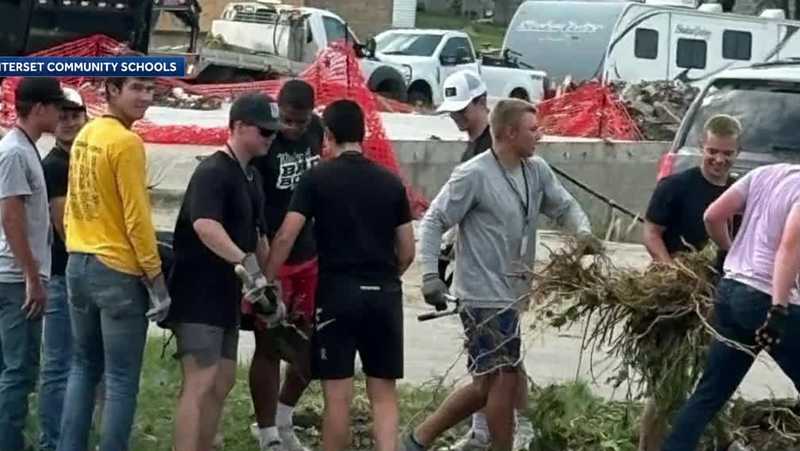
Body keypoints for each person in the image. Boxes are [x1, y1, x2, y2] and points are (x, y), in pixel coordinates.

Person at [403, 99, 595, 451]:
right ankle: (463, 442)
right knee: (501, 380)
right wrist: (430, 274)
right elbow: (434, 221)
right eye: (533, 129)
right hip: (480, 293)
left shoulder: (535, 171)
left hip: (512, 293)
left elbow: (564, 205)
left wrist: (582, 234)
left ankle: (421, 440)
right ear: (509, 133)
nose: (540, 135)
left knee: (490, 382)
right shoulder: (473, 175)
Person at [264, 99, 415, 451]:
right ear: (362, 133)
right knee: (383, 393)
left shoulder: (316, 179)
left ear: (328, 135)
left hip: (337, 294)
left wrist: (268, 278)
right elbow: (407, 249)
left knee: (338, 396)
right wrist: (386, 276)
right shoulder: (391, 182)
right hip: (384, 294)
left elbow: (287, 234)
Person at [59, 77, 171, 451]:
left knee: (83, 367)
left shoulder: (86, 136)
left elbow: (75, 206)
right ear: (111, 90)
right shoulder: (126, 143)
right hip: (117, 271)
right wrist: (156, 279)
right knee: (121, 379)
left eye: (151, 89)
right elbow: (137, 219)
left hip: (79, 262)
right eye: (136, 88)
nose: (146, 97)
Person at [165, 92, 279, 451]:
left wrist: (269, 286)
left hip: (228, 295)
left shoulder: (252, 177)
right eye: (263, 131)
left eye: (273, 133)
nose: (270, 138)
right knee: (200, 379)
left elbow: (259, 236)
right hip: (198, 292)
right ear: (239, 126)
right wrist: (246, 267)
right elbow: (205, 225)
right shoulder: (213, 171)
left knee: (224, 378)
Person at [661, 162, 800, 450]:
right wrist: (777, 310)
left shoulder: (765, 173)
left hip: (731, 291)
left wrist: (732, 248)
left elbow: (712, 215)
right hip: (769, 301)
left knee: (709, 394)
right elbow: (789, 249)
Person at [436, 71, 532, 451]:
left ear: (482, 104)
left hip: (497, 274)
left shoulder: (489, 153)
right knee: (494, 358)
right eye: (453, 112)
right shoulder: (471, 150)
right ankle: (484, 429)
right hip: (479, 268)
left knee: (503, 360)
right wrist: (446, 248)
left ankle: (516, 426)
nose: (458, 118)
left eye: (463, 110)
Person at [638, 114, 741, 451]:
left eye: (727, 153)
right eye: (713, 151)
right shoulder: (677, 186)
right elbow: (651, 232)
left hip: (717, 299)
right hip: (674, 298)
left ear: (737, 152)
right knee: (666, 385)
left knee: (711, 383)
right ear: (702, 146)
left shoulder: (740, 193)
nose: (719, 159)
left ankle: (711, 442)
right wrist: (672, 270)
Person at [248, 79, 322, 451]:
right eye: (288, 121)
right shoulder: (267, 140)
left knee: (307, 341)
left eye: (301, 122)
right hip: (274, 254)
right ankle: (266, 433)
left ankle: (284, 416)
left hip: (309, 253)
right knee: (269, 344)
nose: (293, 129)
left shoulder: (318, 131)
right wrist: (265, 272)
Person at [0, 77, 63, 451]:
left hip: (15, 275)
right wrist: (31, 277)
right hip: (14, 278)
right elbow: (10, 218)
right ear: (38, 108)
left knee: (13, 369)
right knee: (18, 372)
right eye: (56, 107)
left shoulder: (25, 150)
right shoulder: (14, 153)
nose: (60, 115)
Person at [39, 87, 88, 451]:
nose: (70, 121)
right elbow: (63, 226)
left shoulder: (85, 158)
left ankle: (72, 436)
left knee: (81, 362)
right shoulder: (55, 164)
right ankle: (52, 440)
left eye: (76, 114)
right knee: (58, 364)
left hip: (82, 271)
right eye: (63, 114)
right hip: (61, 272)